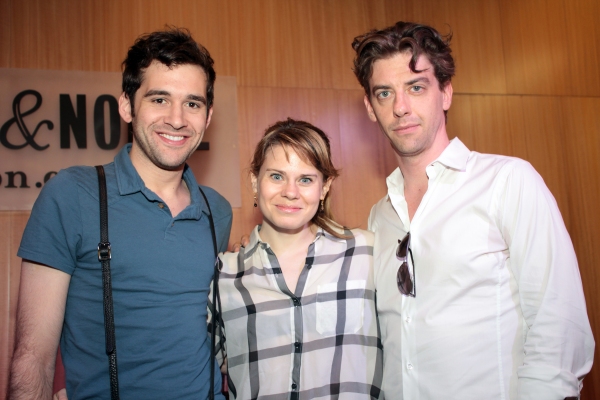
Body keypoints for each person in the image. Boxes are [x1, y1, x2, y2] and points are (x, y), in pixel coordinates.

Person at [351, 21, 594, 399]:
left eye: (416, 87)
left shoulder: (508, 182)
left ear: (445, 92)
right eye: (385, 93)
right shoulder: (377, 217)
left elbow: (559, 329)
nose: (401, 107)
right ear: (370, 107)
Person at [9, 28, 232, 399]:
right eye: (159, 99)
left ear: (208, 116)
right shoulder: (71, 194)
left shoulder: (217, 210)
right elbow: (33, 357)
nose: (177, 119)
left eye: (192, 103)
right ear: (127, 106)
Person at [213, 118, 383, 399]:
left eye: (305, 179)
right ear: (255, 181)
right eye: (276, 176)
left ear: (325, 187)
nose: (290, 192)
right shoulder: (224, 275)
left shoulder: (367, 253)